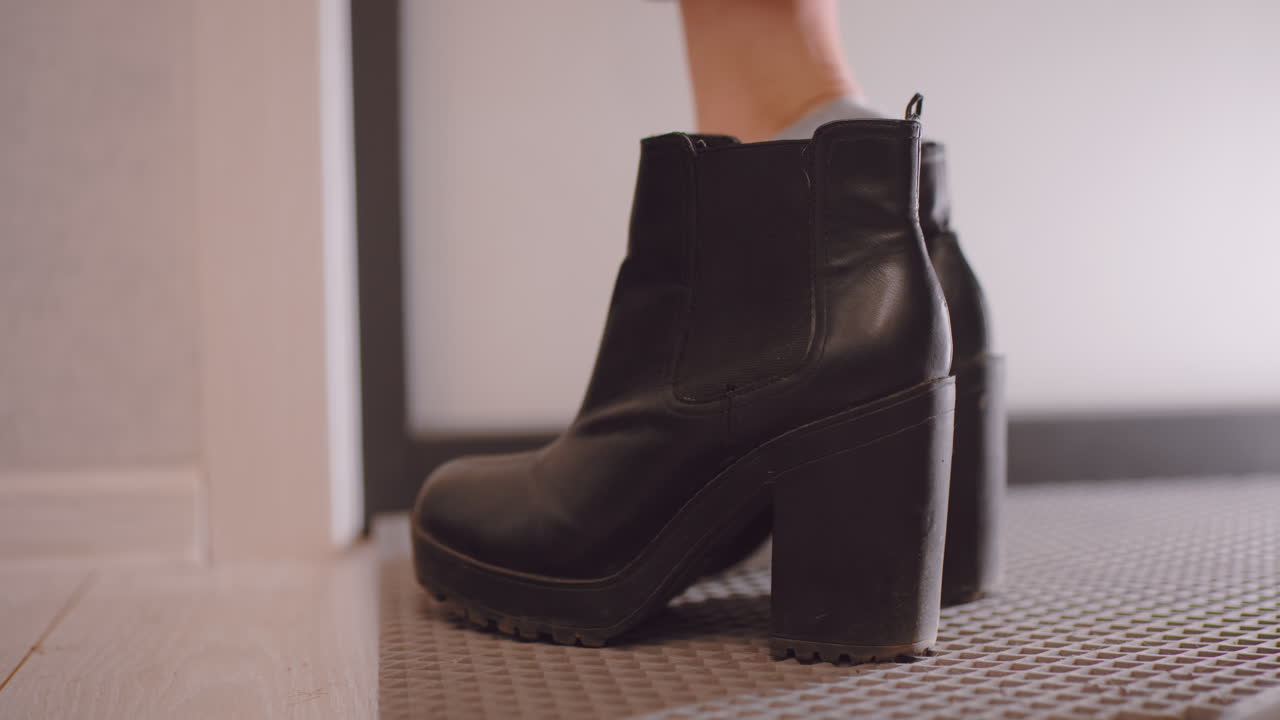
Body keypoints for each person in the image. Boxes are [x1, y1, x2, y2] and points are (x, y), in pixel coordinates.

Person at [412, 0, 1004, 665]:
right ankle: (890, 261)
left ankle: (832, 236)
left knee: (766, 76)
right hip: (876, 327)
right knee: (793, 67)